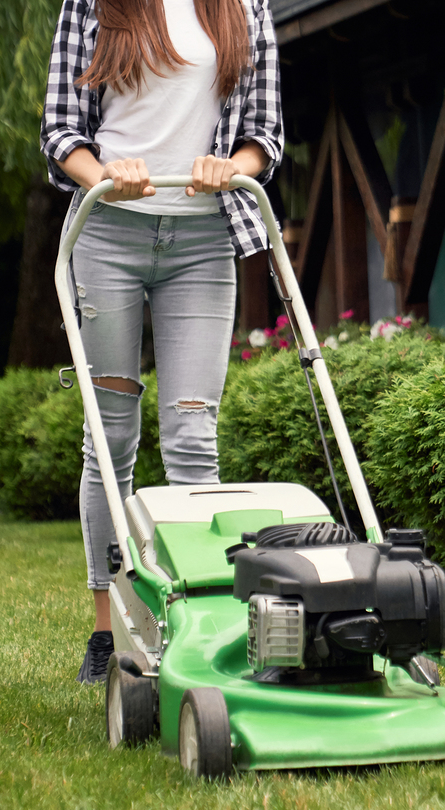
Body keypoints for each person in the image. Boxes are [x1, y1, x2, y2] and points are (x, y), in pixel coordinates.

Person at [39, 0, 283, 682]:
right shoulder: (92, 3)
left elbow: (265, 133)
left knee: (192, 434)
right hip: (108, 235)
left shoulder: (246, 5)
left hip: (203, 241)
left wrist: (229, 165)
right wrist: (105, 176)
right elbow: (61, 131)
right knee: (111, 438)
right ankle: (106, 633)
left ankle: (195, 621)